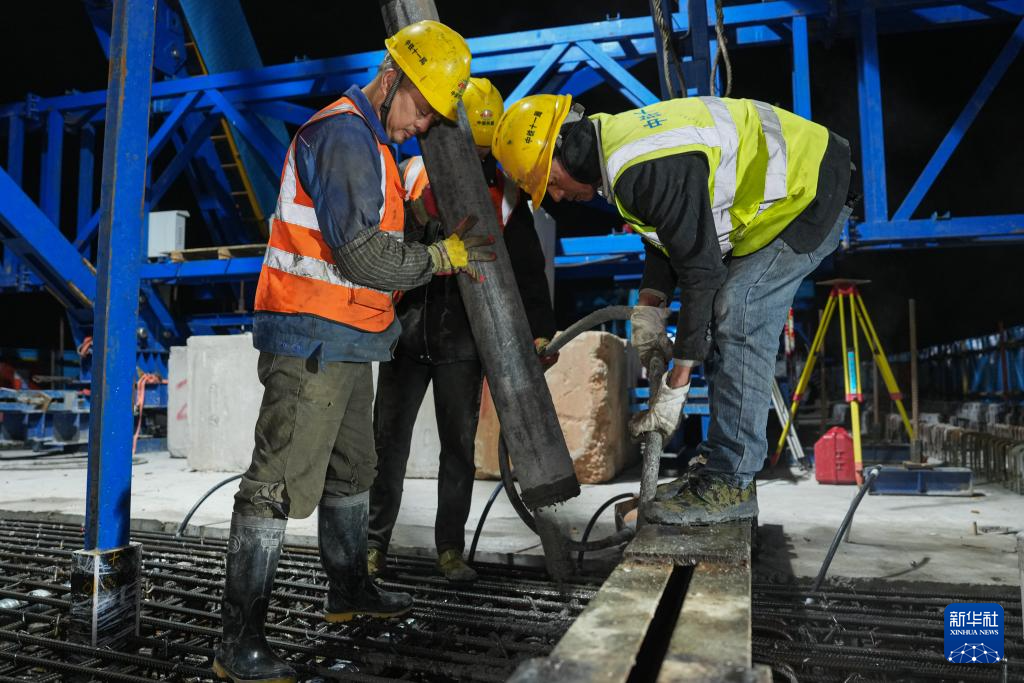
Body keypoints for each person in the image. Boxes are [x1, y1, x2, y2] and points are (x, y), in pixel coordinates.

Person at [213, 21, 492, 683]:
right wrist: (438, 258)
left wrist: (424, 229)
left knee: (353, 471)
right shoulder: (343, 135)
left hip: (346, 338)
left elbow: (374, 236)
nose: (420, 125)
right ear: (391, 78)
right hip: (310, 337)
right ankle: (238, 641)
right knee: (275, 483)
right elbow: (361, 256)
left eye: (431, 118)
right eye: (421, 108)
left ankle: (349, 592)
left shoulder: (374, 143)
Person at [492, 93, 851, 525]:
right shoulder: (616, 153)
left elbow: (702, 274)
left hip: (810, 190)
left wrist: (674, 389)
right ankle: (719, 466)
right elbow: (666, 233)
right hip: (795, 189)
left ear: (569, 152)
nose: (556, 195)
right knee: (723, 313)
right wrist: (649, 306)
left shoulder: (639, 167)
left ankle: (731, 482)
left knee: (739, 311)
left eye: (550, 181)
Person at [368, 78, 558, 584]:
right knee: (386, 446)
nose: (476, 161)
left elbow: (529, 271)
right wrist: (420, 217)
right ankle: (372, 545)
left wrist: (541, 331)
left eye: (483, 153)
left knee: (458, 450)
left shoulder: (508, 195)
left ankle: (450, 550)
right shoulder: (412, 174)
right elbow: (383, 244)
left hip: (465, 342)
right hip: (407, 333)